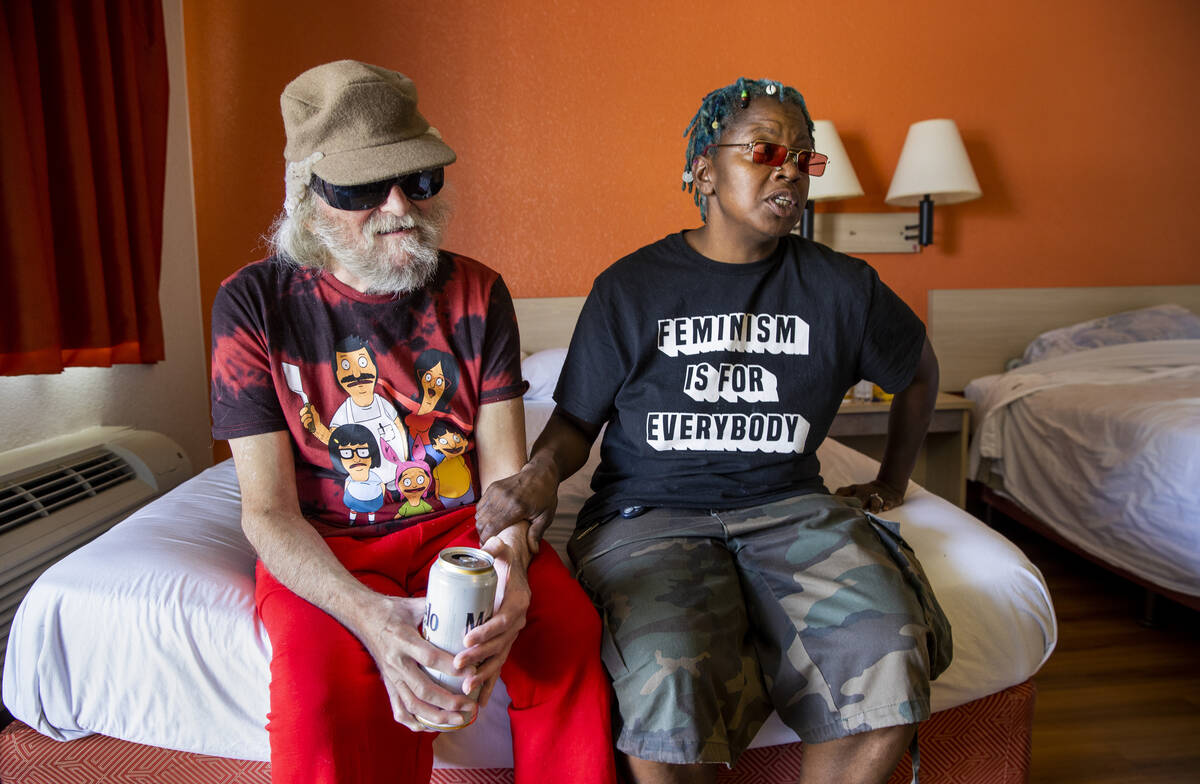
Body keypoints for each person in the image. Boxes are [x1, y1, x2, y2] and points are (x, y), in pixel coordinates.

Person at [476, 77, 953, 784]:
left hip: (792, 509)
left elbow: (918, 371)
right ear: (703, 170)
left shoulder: (842, 287)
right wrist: (541, 474)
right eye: (764, 150)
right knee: (668, 668)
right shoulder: (631, 287)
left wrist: (887, 480)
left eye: (803, 157)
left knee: (887, 639)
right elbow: (575, 420)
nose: (788, 168)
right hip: (650, 515)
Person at [210, 59, 617, 784]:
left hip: (463, 533)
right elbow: (267, 513)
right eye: (364, 188)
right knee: (320, 697)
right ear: (308, 199)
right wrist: (369, 616)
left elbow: (506, 482)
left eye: (419, 179)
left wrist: (516, 567)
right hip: (330, 545)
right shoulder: (252, 305)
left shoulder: (478, 292)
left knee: (570, 636)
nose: (400, 205)